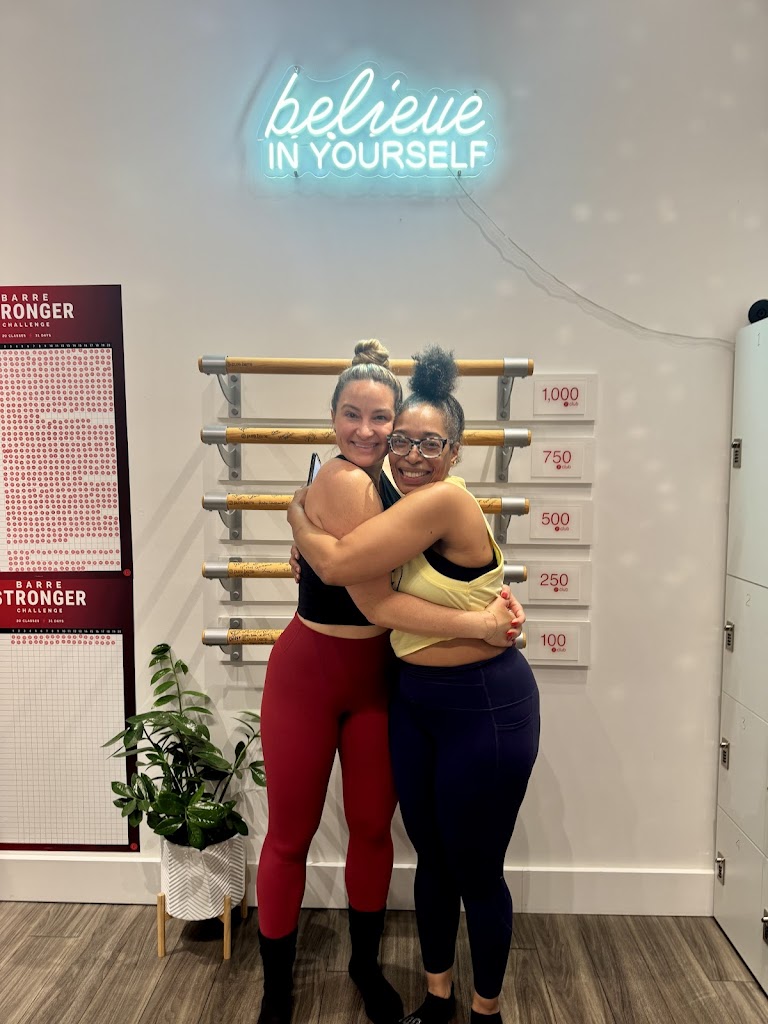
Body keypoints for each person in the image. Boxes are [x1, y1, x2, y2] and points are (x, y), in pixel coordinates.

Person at [256, 340, 524, 1024]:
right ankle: (275, 991)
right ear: (332, 418)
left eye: (384, 419)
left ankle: (364, 966)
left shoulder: (404, 490)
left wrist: (297, 519)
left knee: (374, 830)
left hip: (380, 677)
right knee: (291, 835)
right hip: (311, 674)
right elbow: (358, 583)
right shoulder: (347, 480)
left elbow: (400, 570)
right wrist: (298, 515)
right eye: (353, 414)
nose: (369, 431)